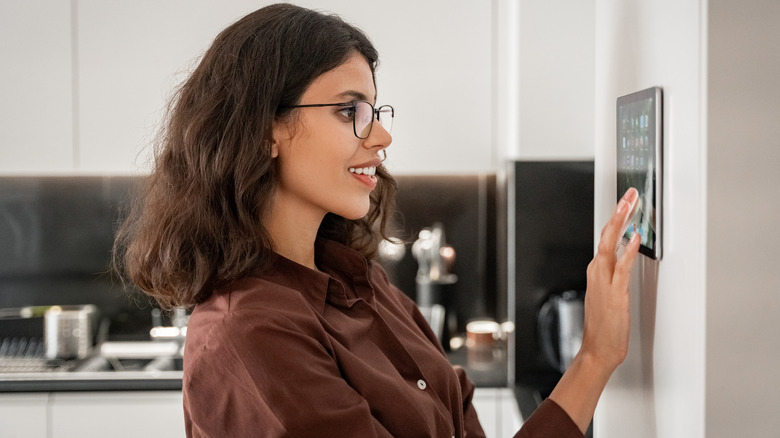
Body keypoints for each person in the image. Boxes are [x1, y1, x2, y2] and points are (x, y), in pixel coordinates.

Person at [113, 4, 641, 437]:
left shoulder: (364, 285)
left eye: (375, 111)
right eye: (350, 111)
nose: (382, 136)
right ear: (263, 130)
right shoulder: (247, 333)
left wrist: (595, 355)